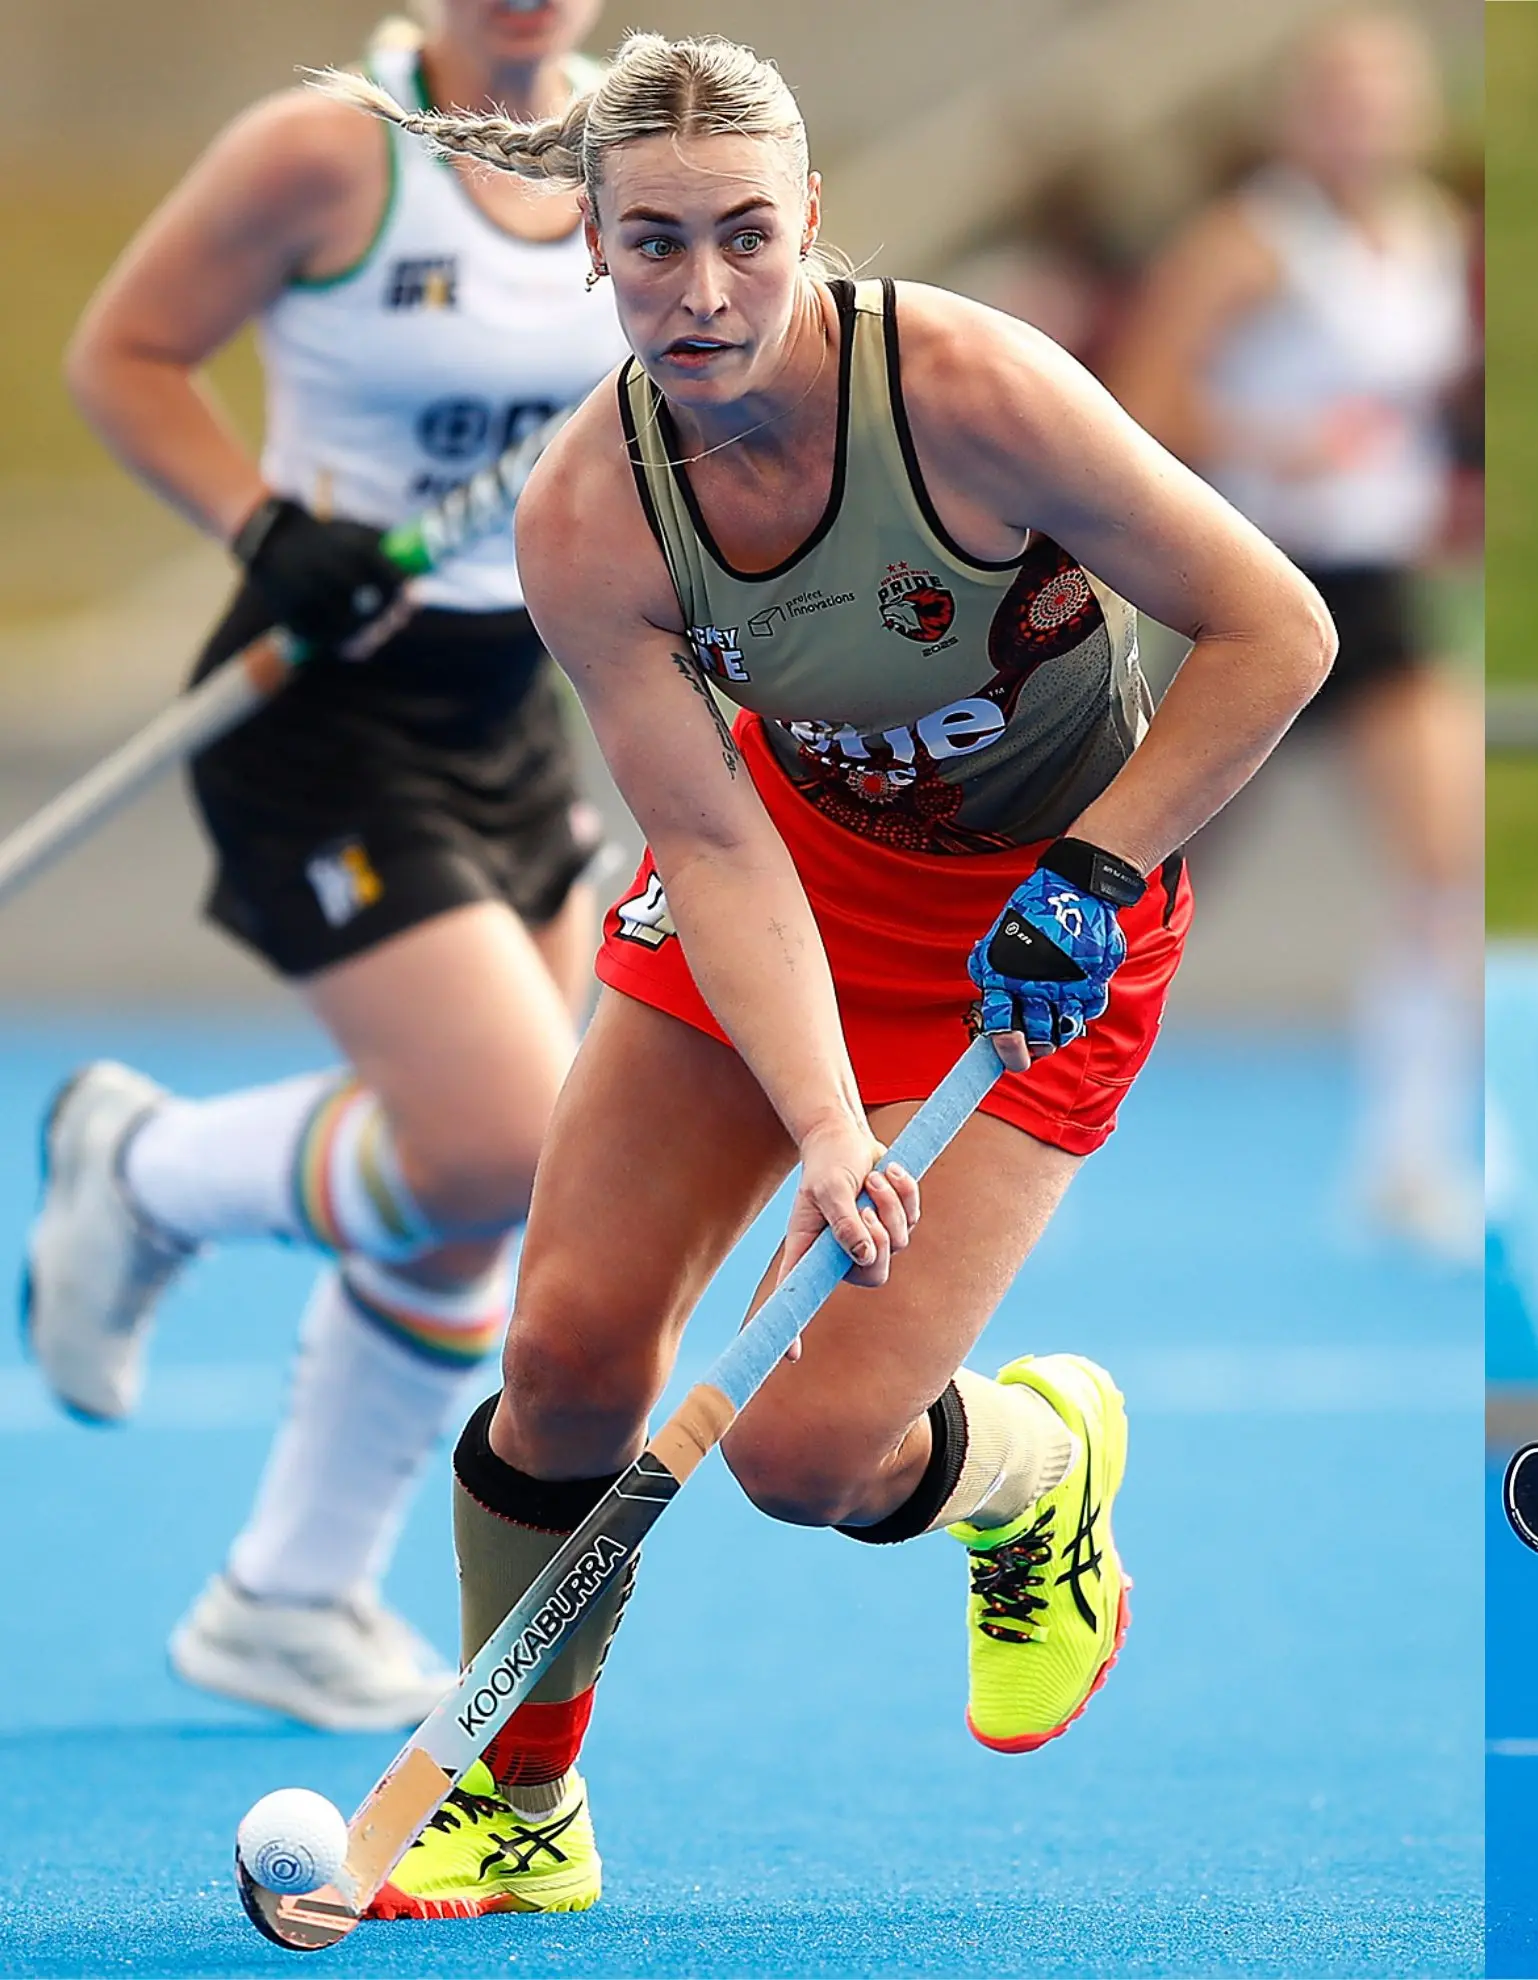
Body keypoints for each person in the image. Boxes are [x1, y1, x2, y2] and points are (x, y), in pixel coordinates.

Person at [303, 32, 1332, 1921]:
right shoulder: (587, 516)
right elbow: (709, 849)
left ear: (811, 222)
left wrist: (1099, 867)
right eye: (653, 244)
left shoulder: (970, 394)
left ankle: (1034, 1469)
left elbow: (1276, 628)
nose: (703, 292)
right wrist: (830, 1120)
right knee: (568, 1354)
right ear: (590, 244)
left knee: (801, 1453)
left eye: (745, 237)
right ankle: (520, 1805)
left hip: (1048, 929)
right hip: (789, 881)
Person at [30, 0, 627, 1730]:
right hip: (325, 704)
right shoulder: (327, 153)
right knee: (498, 1138)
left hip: (520, 700)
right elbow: (124, 356)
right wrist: (267, 528)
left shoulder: (635, 154)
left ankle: (287, 1597)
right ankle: (145, 1172)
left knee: (501, 1195)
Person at [1105, 9, 1480, 1258]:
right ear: (1293, 114)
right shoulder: (1248, 241)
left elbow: (1407, 405)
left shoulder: (1431, 232)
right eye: (1336, 97)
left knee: (1444, 863)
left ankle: (1407, 1158)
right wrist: (1278, 442)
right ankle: (996, 1098)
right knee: (1135, 867)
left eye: (1382, 96)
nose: (1360, 121)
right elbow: (1137, 401)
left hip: (1376, 590)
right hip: (1256, 592)